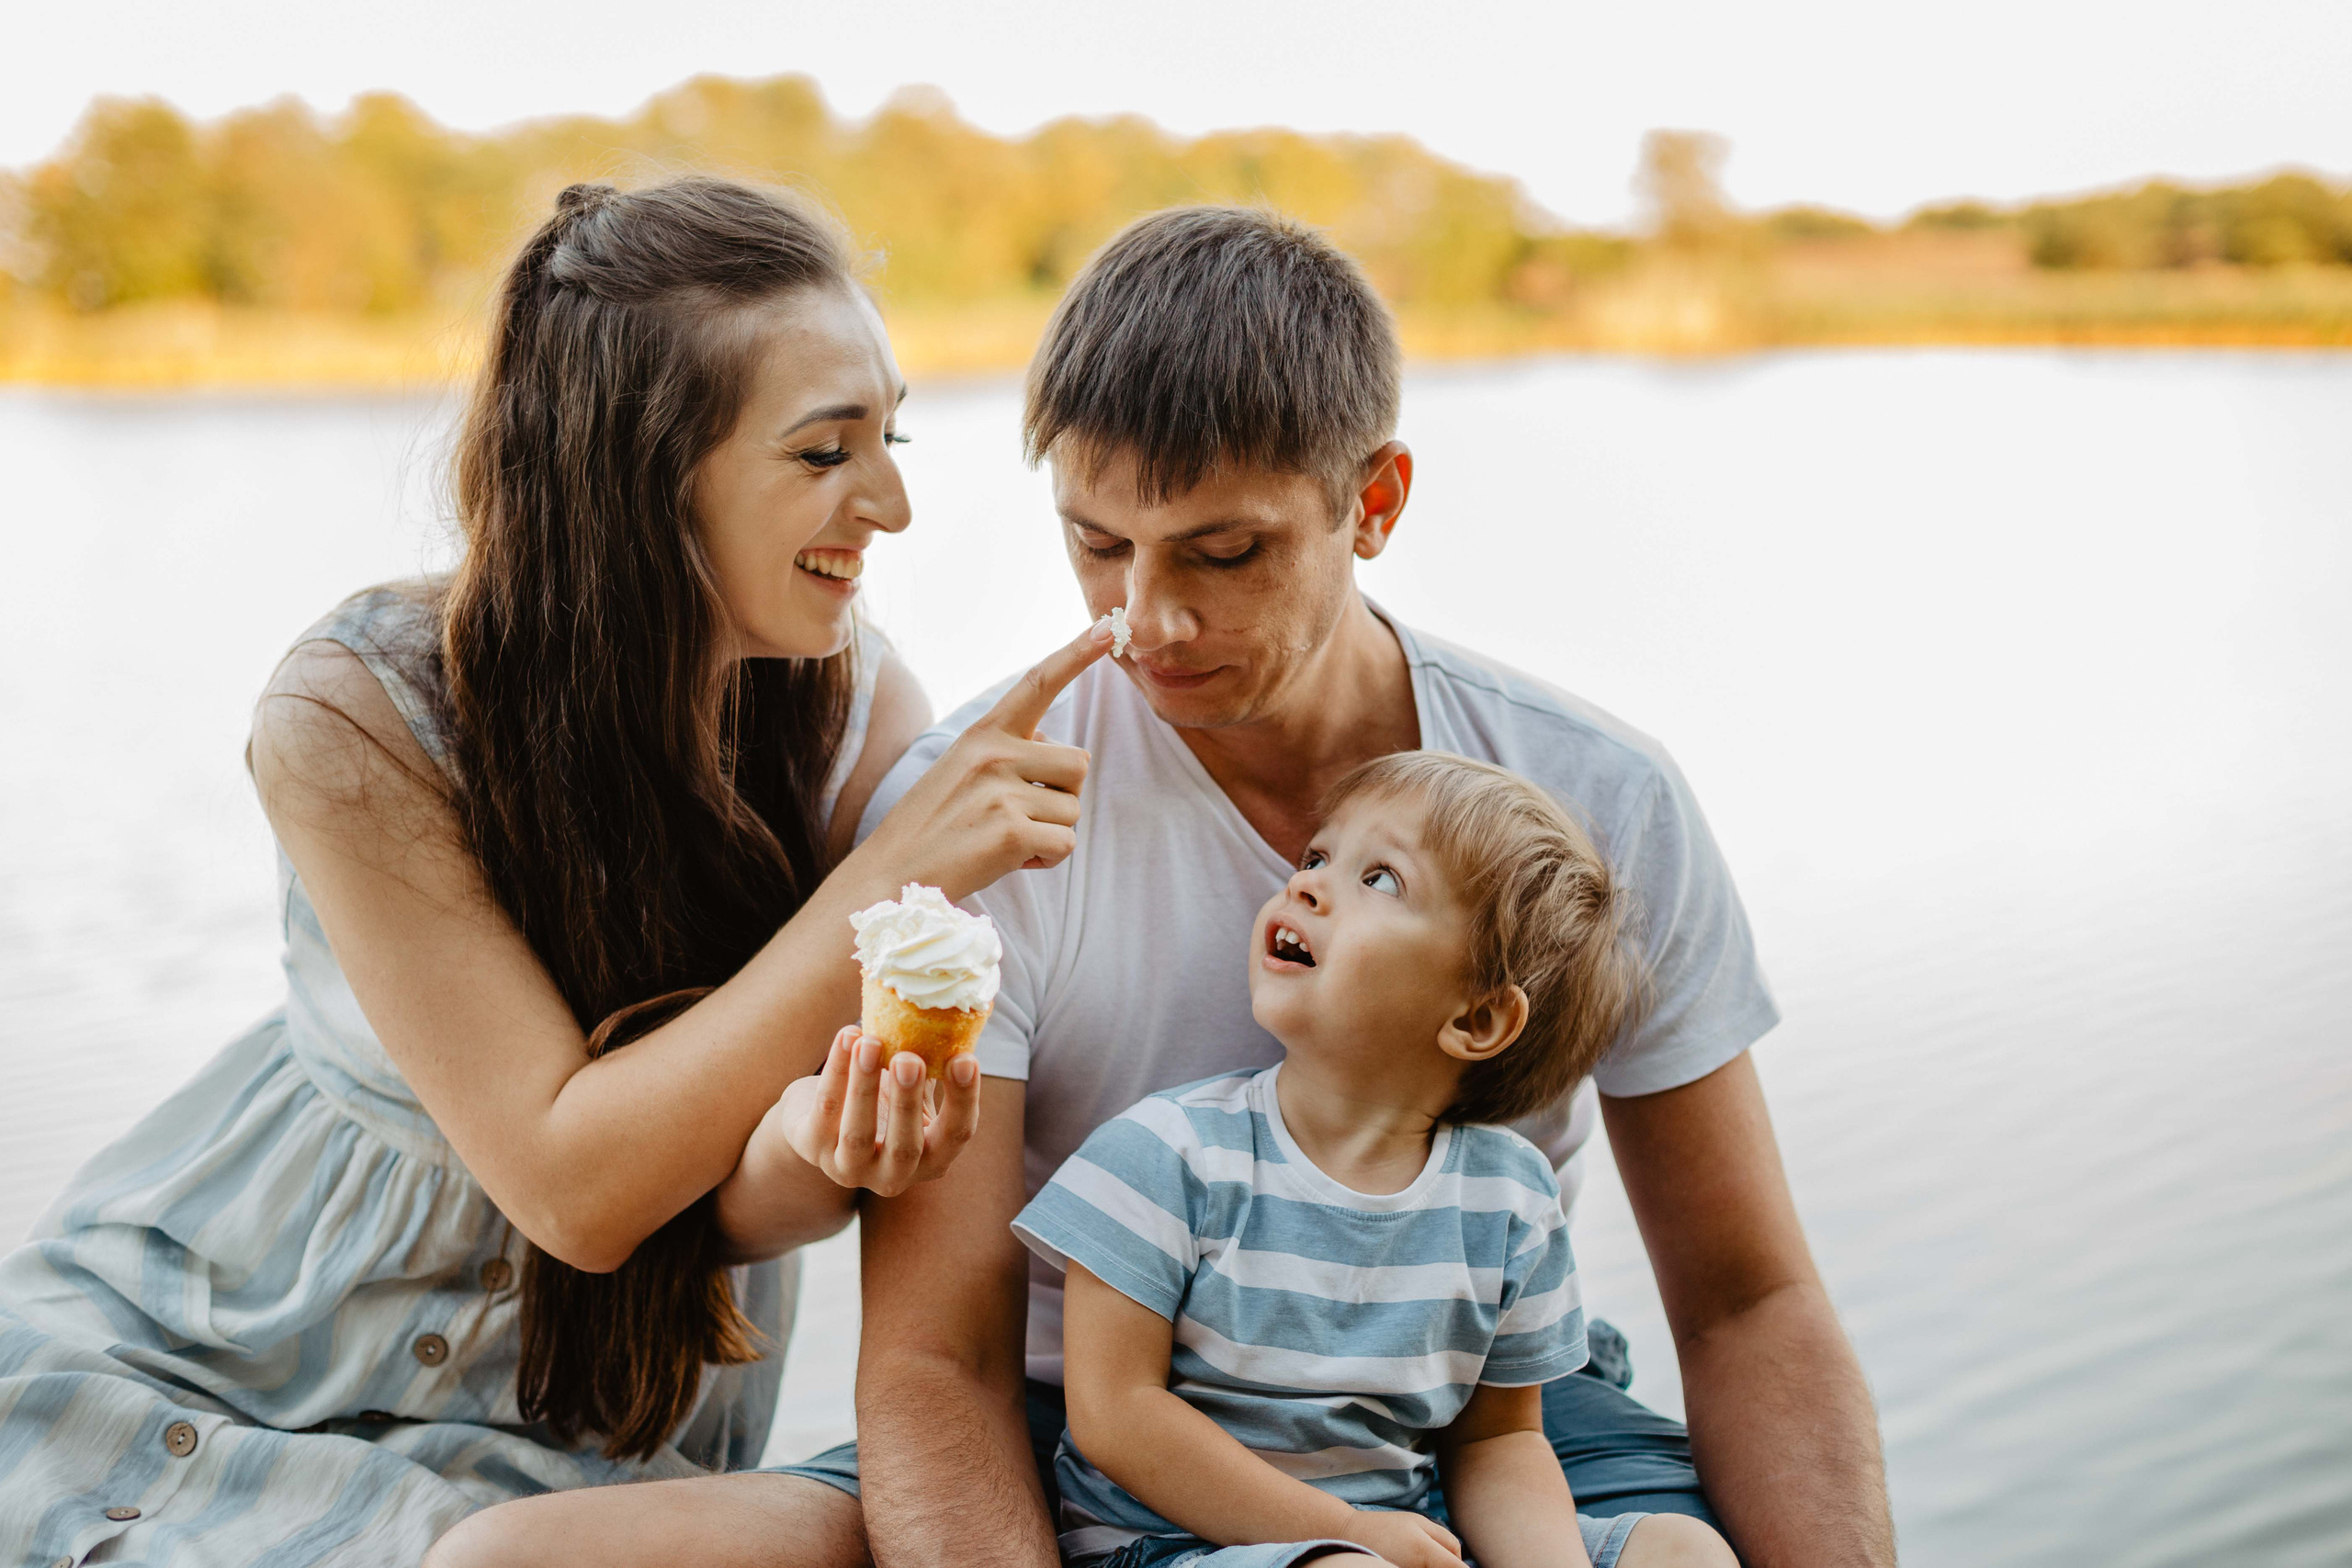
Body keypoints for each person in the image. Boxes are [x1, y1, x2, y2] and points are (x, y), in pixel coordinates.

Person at [0, 178, 1109, 1567]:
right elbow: (575, 1189)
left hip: (585, 1433)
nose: (888, 501)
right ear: (640, 476)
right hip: (218, 1360)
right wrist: (879, 878)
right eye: (825, 452)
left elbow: (738, 1197)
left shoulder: (856, 714)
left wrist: (834, 1148)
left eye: (887, 434)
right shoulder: (357, 718)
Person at [813, 208, 1894, 1568]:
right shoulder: (981, 814)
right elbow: (935, 1360)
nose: (1147, 622)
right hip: (1091, 1414)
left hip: (1484, 1408)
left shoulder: (1597, 794)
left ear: (1374, 502)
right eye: (1097, 543)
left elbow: (1746, 1302)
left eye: (1223, 554)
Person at [1016, 750, 1737, 1568]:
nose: (1308, 885)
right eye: (1317, 857)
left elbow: (1498, 1443)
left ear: (1477, 1020)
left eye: (1381, 880)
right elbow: (1117, 1414)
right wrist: (1350, 1534)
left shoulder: (1508, 1201)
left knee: (1684, 1550)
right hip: (1168, 1545)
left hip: (1392, 1538)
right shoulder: (1163, 1153)